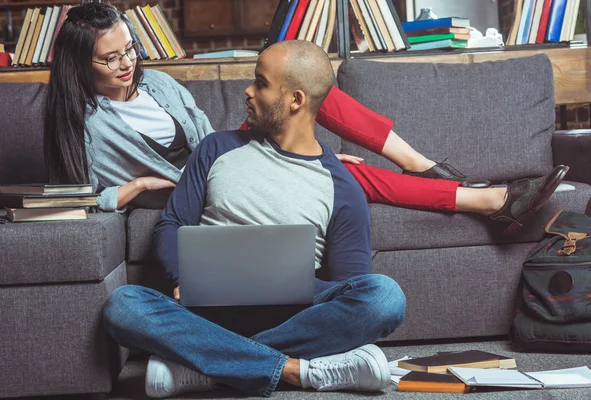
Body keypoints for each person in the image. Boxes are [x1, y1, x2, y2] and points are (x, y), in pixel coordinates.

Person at [104, 39, 406, 397]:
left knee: (385, 297)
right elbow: (170, 225)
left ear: (296, 100)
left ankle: (208, 365)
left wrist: (286, 283)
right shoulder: (215, 148)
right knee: (124, 306)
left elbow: (349, 287)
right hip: (204, 310)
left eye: (260, 83)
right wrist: (185, 277)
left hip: (292, 317)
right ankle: (294, 370)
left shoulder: (342, 188)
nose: (247, 91)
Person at [43, 3, 509, 221]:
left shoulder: (158, 83)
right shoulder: (84, 123)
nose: (127, 64)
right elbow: (73, 197)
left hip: (225, 160)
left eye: (130, 49)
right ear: (79, 64)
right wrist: (136, 187)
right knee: (331, 171)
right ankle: (480, 198)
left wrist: (284, 152)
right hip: (201, 192)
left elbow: (211, 140)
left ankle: (421, 164)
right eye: (111, 58)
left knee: (304, 84)